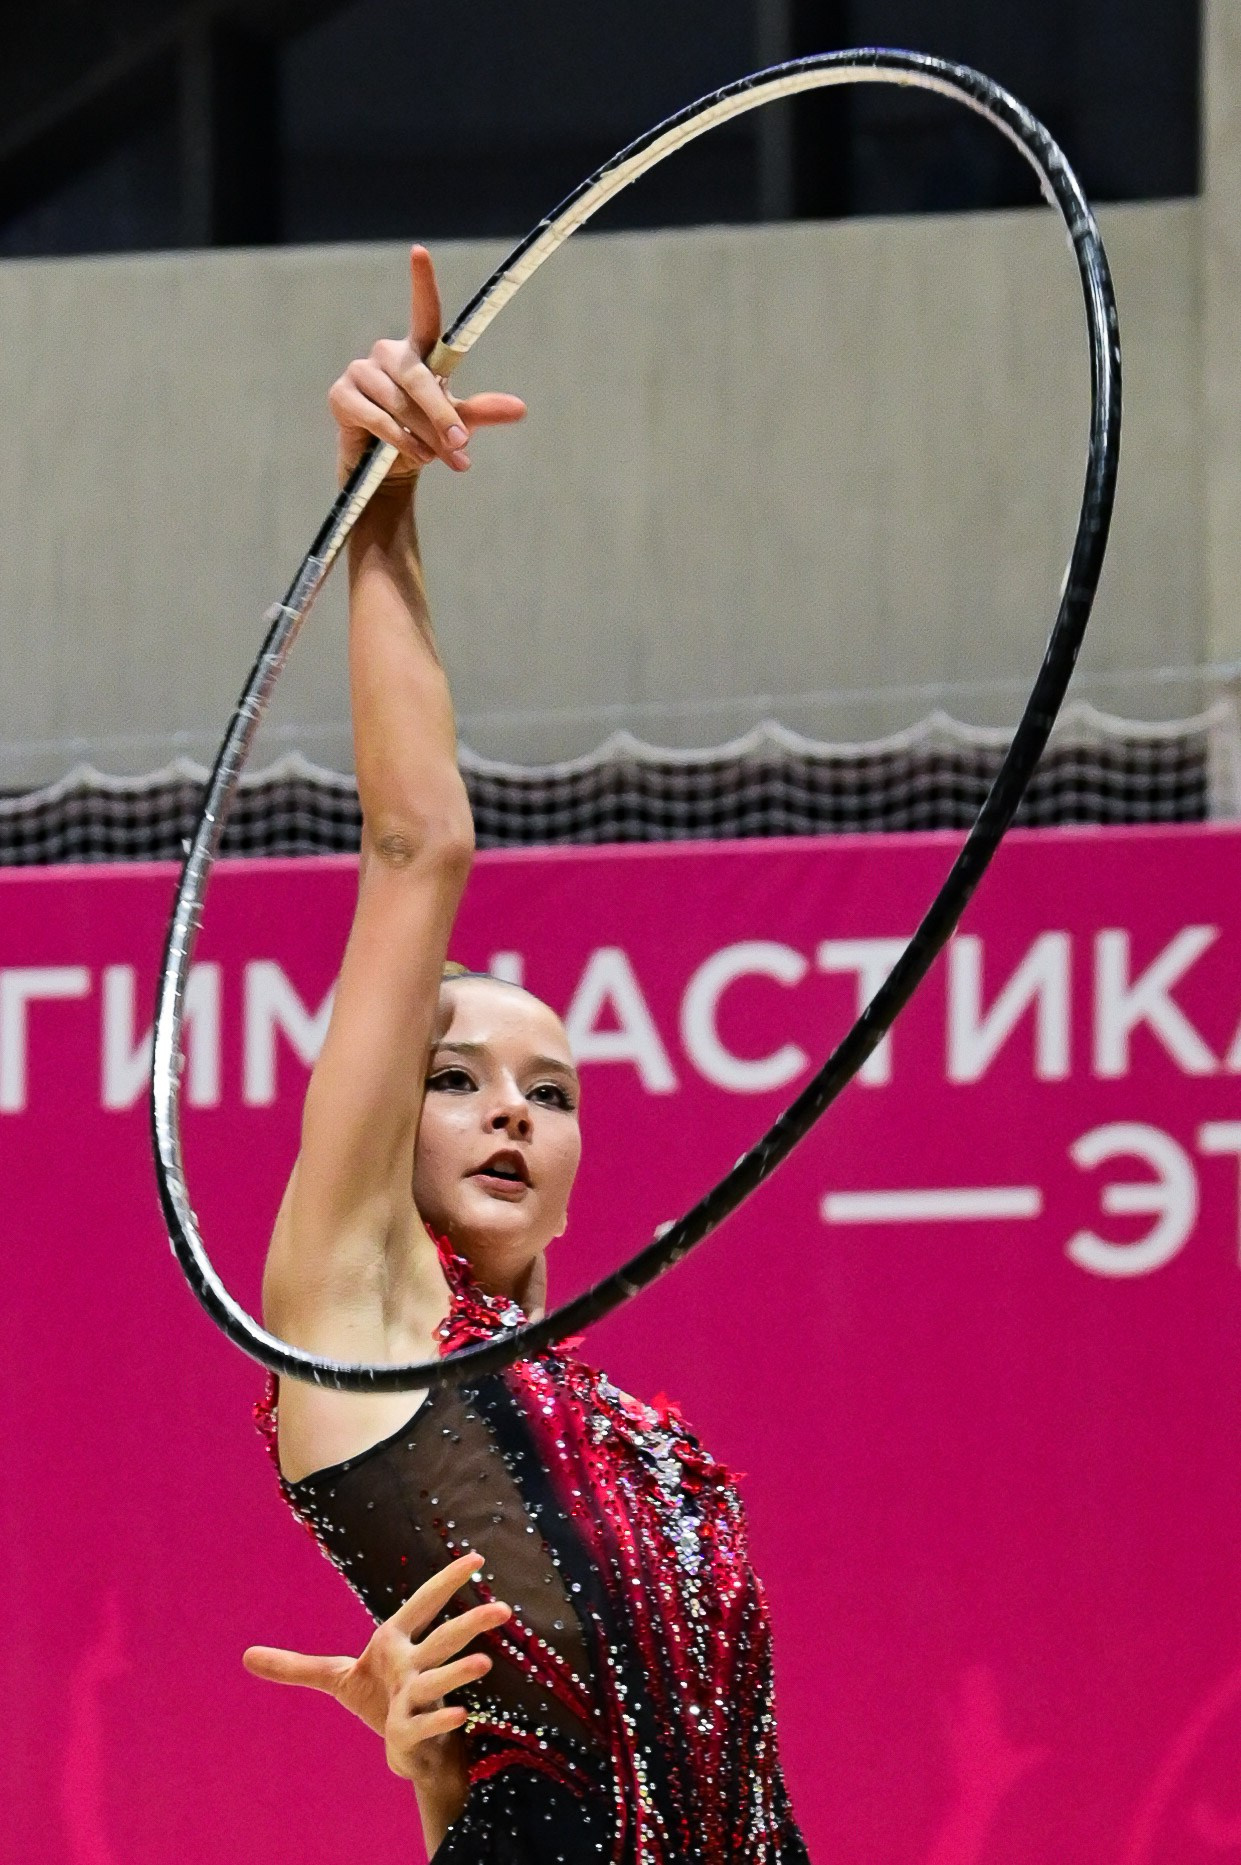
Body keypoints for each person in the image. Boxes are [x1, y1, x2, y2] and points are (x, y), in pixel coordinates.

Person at [243, 244, 811, 1863]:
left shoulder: (588, 1409)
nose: (510, 1107)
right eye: (455, 1073)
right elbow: (420, 845)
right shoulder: (354, 1318)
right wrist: (376, 512)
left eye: (550, 1091)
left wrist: (437, 1781)